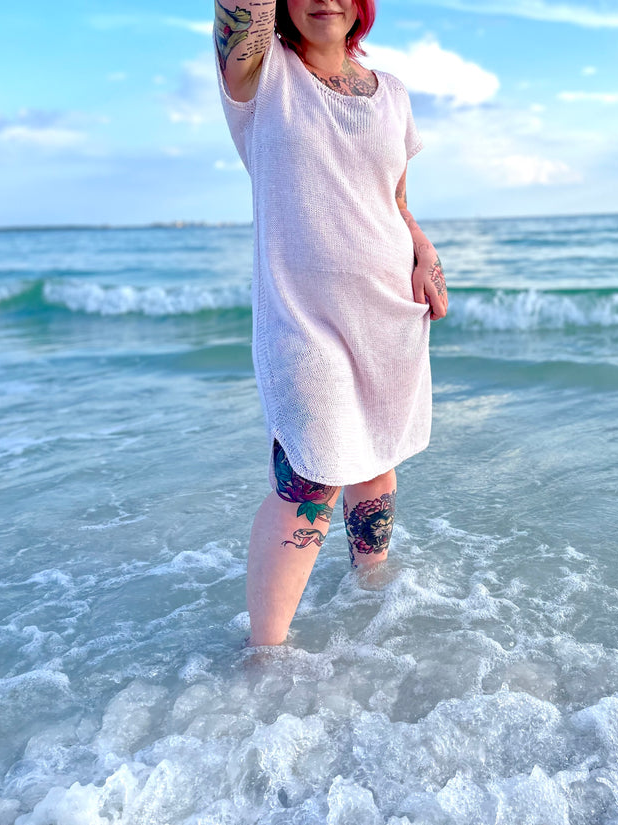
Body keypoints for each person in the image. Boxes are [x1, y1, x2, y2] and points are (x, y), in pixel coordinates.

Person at [214, 0, 447, 645]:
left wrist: (425, 255)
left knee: (377, 451)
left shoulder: (392, 93)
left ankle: (370, 589)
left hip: (387, 308)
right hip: (301, 319)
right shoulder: (260, 75)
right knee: (310, 476)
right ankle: (264, 656)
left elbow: (394, 200)